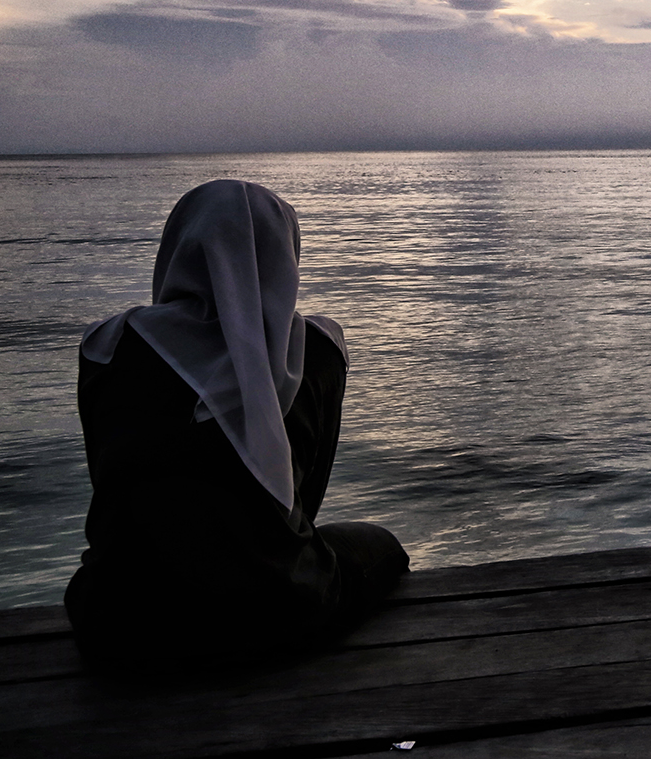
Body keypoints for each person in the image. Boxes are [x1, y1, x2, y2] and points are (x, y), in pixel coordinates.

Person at [65, 179, 409, 664]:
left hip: (115, 619)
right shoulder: (316, 350)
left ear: (179, 246)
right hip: (275, 615)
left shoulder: (106, 346)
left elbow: (111, 483)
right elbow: (301, 501)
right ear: (285, 256)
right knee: (382, 548)